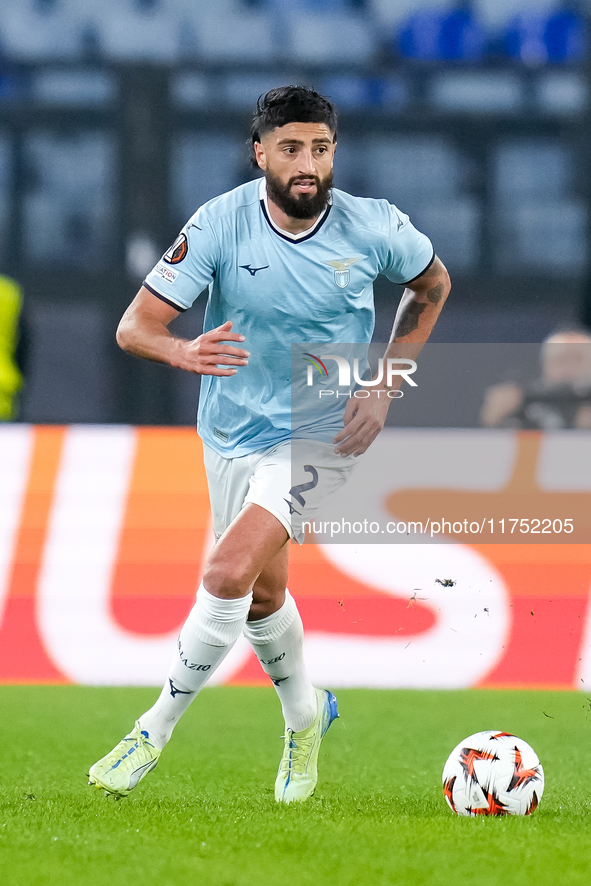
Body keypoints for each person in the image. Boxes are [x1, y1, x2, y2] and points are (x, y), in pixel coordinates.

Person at [88, 86, 451, 803]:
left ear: (333, 151)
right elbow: (135, 327)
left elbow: (431, 284)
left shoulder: (374, 227)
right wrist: (181, 351)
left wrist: (383, 384)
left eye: (319, 148)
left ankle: (150, 732)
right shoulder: (219, 225)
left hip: (321, 432)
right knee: (260, 596)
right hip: (230, 431)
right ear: (261, 154)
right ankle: (308, 716)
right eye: (290, 148)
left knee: (224, 573)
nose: (307, 163)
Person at [480, 328, 591, 430]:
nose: (567, 368)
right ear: (545, 365)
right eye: (560, 360)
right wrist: (495, 418)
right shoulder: (524, 401)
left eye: (576, 359)